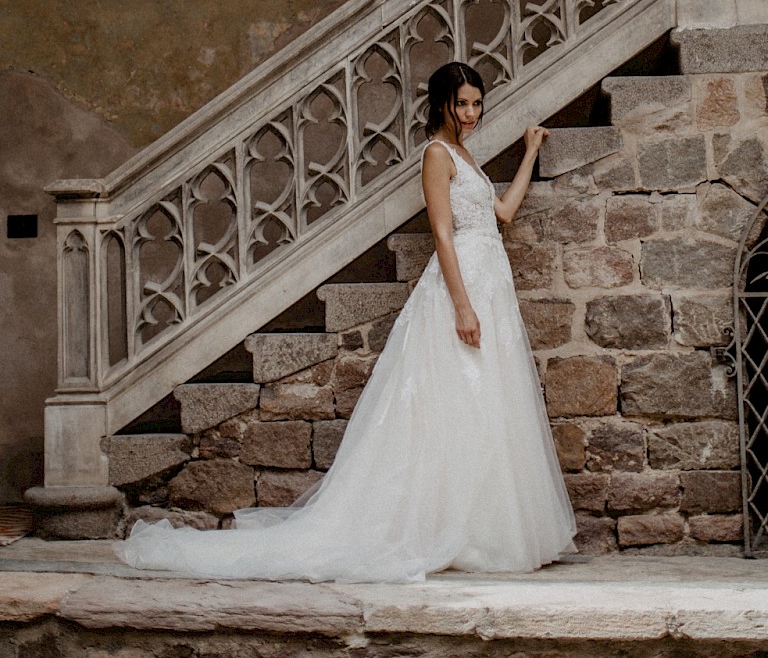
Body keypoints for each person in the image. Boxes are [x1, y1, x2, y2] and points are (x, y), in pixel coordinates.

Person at [119, 60, 576, 581]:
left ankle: (480, 528)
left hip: (491, 283)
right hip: (463, 289)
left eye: (476, 103)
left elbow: (503, 214)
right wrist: (463, 305)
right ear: (441, 104)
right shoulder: (436, 154)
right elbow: (443, 235)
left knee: (485, 404)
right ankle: (442, 528)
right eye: (461, 104)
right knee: (453, 402)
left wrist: (530, 152)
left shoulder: (466, 155)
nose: (470, 113)